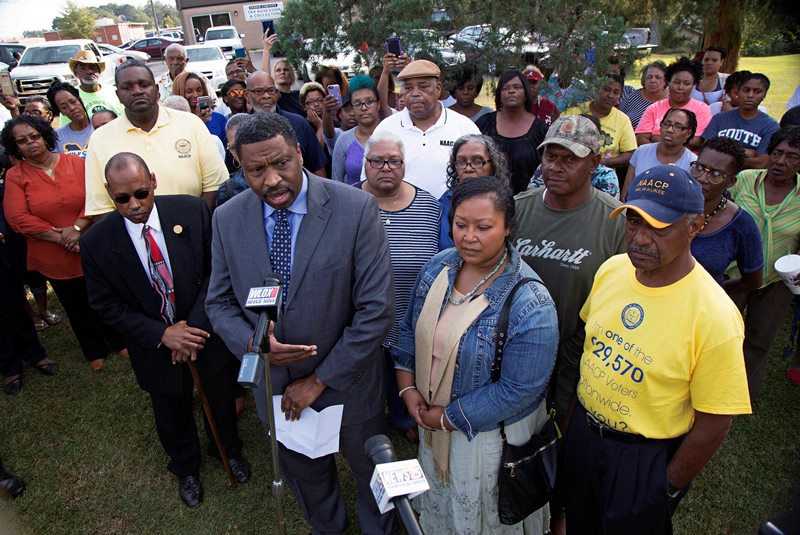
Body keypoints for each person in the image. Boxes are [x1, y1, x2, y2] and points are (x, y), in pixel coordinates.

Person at [206, 112, 396, 534]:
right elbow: (218, 302)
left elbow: (376, 309)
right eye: (256, 170)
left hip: (348, 385)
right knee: (307, 478)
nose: (272, 180)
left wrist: (318, 380)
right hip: (274, 390)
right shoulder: (227, 218)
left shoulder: (355, 208)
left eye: (281, 164)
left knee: (372, 478)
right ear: (240, 166)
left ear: (299, 152)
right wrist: (254, 346)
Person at [564, 164, 751, 533]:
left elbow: (715, 421)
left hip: (643, 458)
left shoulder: (715, 315)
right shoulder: (612, 270)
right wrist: (574, 428)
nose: (640, 239)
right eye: (633, 221)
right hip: (585, 438)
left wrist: (667, 485)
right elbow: (589, 352)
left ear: (695, 226)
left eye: (659, 226)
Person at [80, 152, 250, 508]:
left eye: (141, 193)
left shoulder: (192, 212)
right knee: (170, 407)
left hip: (205, 334)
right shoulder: (96, 243)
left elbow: (218, 274)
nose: (135, 205)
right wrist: (163, 335)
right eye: (122, 199)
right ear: (110, 194)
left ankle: (228, 451)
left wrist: (192, 328)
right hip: (154, 348)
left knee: (219, 396)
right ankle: (186, 467)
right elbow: (105, 305)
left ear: (153, 181)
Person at [392, 176, 558, 534]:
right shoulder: (438, 266)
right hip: (433, 421)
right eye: (460, 224)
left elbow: (519, 391)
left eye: (484, 227)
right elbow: (409, 327)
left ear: (508, 228)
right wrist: (407, 388)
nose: (469, 236)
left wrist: (448, 417)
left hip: (485, 441)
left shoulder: (531, 304)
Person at [512, 115, 626, 427]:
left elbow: (617, 299)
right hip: (513, 349)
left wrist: (573, 351)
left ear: (595, 163)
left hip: (576, 358)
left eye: (570, 159)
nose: (555, 167)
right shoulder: (518, 208)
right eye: (550, 157)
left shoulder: (615, 221)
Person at [2, 115, 126, 371]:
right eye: (22, 141)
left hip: (90, 243)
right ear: (15, 147)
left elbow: (96, 197)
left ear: (45, 136)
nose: (31, 143)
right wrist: (61, 237)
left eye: (34, 137)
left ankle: (118, 340)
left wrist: (78, 228)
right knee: (74, 302)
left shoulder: (76, 163)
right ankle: (93, 349)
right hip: (52, 253)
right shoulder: (16, 176)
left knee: (105, 293)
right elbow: (17, 218)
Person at [358, 131, 441, 444]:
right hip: (362, 311)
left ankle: (404, 415)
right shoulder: (350, 202)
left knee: (405, 367)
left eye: (394, 161)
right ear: (365, 164)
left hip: (412, 310)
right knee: (366, 373)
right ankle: (367, 420)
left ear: (405, 165)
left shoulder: (429, 206)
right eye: (377, 160)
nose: (386, 167)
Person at [84, 60, 227, 217]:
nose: (137, 91)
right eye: (127, 87)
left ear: (157, 90)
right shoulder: (100, 139)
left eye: (144, 84)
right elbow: (100, 209)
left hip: (193, 231)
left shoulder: (191, 123)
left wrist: (194, 224)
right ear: (118, 95)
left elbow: (215, 186)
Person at [727, 126, 800, 401]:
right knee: (721, 333)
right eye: (778, 153)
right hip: (733, 272)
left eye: (792, 156)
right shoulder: (745, 179)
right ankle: (708, 385)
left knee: (759, 338)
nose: (782, 161)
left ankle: (741, 394)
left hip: (776, 280)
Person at [371, 59, 480, 199]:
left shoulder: (464, 127)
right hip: (401, 217)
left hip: (453, 215)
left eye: (423, 87)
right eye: (408, 88)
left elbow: (481, 180)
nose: (415, 93)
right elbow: (370, 179)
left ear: (438, 89)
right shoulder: (386, 129)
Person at [0, 152, 56, 395]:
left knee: (14, 307)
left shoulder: (4, 188)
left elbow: (10, 214)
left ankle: (35, 355)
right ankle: (9, 367)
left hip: (4, 257)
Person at [690, 137, 763, 292]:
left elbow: (753, 281)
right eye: (699, 167)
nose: (702, 178)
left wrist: (715, 291)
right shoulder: (669, 203)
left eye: (715, 174)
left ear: (730, 182)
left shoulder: (741, 224)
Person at [477, 70, 549, 195]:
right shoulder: (484, 124)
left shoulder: (540, 130)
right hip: (488, 200)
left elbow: (546, 168)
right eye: (505, 88)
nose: (511, 91)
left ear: (526, 94)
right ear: (499, 95)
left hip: (527, 204)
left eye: (517, 87)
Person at [245, 71, 328, 177]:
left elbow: (318, 169)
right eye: (259, 91)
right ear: (247, 95)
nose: (266, 96)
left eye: (271, 90)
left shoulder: (299, 123)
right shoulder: (241, 128)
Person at [439, 134, 510, 248]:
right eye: (461, 162)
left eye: (477, 161)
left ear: (493, 165)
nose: (468, 168)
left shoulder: (505, 204)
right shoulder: (442, 205)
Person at [702, 73, 780, 170]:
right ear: (738, 92)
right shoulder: (719, 119)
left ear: (764, 95)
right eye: (746, 90)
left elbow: (761, 163)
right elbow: (706, 154)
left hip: (748, 179)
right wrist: (749, 153)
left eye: (757, 91)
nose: (750, 95)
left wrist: (722, 155)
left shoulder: (771, 126)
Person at [636, 58, 712, 149]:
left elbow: (696, 141)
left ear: (693, 86)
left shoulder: (702, 109)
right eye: (676, 82)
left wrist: (655, 137)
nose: (680, 87)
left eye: (686, 84)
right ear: (668, 83)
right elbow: (641, 138)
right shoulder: (654, 108)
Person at [565, 74, 637, 171]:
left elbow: (630, 153)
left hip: (602, 174)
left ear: (620, 95)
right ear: (597, 89)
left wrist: (605, 162)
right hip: (570, 168)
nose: (610, 95)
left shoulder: (623, 120)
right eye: (606, 89)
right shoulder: (574, 112)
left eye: (616, 92)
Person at [624, 108, 699, 199]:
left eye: (678, 126)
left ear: (688, 133)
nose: (670, 130)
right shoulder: (641, 152)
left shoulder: (693, 163)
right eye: (666, 124)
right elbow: (626, 194)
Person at [332, 77, 381, 185]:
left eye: (369, 102)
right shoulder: (343, 140)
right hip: (352, 200)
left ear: (378, 104)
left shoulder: (391, 135)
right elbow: (336, 182)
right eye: (357, 104)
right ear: (353, 108)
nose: (364, 108)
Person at [63, 49, 123, 124]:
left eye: (92, 67)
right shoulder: (71, 97)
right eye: (83, 68)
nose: (89, 71)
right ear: (75, 73)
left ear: (99, 71)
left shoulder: (114, 92)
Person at [171, 71, 227, 149]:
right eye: (189, 91)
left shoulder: (219, 119)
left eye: (199, 90)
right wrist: (197, 122)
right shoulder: (173, 121)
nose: (196, 95)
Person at [47, 82, 93, 159]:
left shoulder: (100, 124)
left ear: (81, 100)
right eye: (64, 107)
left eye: (73, 101)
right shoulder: (57, 137)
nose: (72, 108)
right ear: (61, 112)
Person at [215, 113, 251, 207]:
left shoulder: (283, 176)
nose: (242, 152)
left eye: (247, 143)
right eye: (235, 147)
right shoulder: (228, 189)